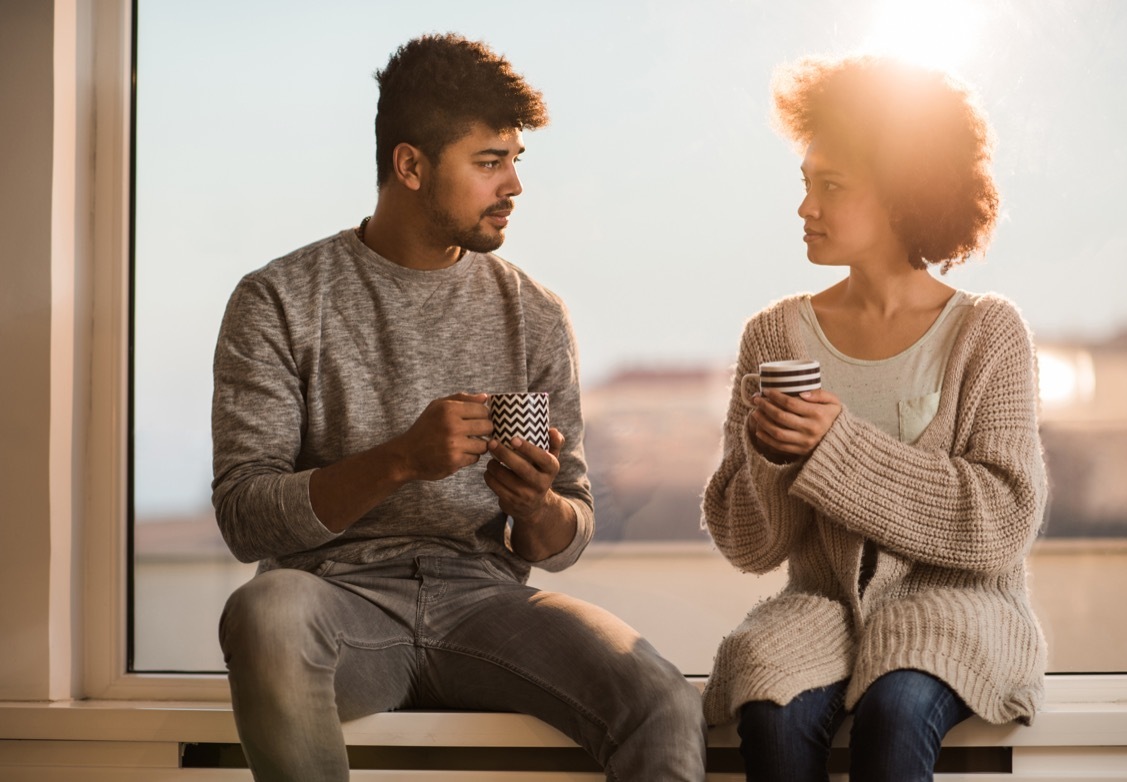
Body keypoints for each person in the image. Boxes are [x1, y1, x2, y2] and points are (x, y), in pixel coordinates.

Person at [212, 33, 705, 782]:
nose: (513, 185)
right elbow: (245, 516)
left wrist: (537, 508)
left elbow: (568, 531)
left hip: (485, 607)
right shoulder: (279, 299)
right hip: (336, 606)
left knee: (659, 695)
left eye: (515, 161)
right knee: (265, 614)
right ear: (410, 166)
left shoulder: (534, 312)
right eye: (488, 162)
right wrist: (400, 461)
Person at [701, 55, 1048, 781]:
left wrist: (837, 448)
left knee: (895, 710)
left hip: (957, 610)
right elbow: (746, 545)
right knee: (770, 701)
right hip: (818, 614)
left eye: (831, 187)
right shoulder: (774, 336)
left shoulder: (987, 334)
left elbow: (1001, 518)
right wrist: (770, 459)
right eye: (806, 184)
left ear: (901, 195)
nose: (806, 207)